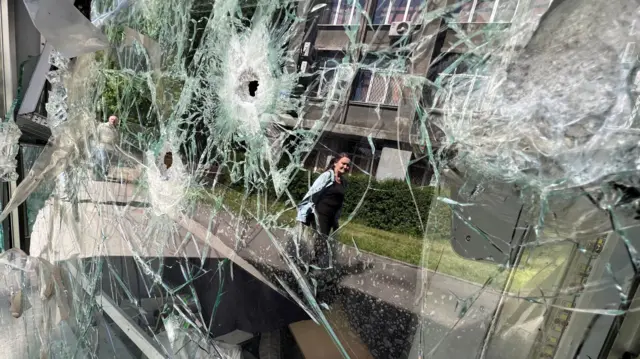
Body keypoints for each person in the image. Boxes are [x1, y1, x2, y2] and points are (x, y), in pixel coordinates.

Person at [296, 153, 351, 269]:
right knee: (321, 242)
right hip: (320, 214)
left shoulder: (343, 182)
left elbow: (339, 203)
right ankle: (309, 266)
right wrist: (303, 213)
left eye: (347, 165)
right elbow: (312, 193)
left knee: (321, 243)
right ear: (336, 163)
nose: (346, 167)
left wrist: (336, 220)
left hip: (330, 217)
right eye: (343, 163)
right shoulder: (327, 176)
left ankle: (308, 264)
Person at [92, 115, 120, 180]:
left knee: (107, 161)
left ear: (117, 122)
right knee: (103, 158)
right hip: (101, 145)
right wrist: (96, 143)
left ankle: (102, 173)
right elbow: (96, 134)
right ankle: (102, 173)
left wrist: (116, 147)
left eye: (115, 120)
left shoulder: (116, 130)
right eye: (112, 119)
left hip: (111, 148)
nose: (113, 121)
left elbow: (117, 140)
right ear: (109, 119)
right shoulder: (102, 126)